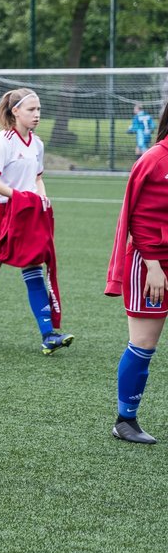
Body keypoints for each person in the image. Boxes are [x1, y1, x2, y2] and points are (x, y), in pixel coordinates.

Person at [0, 87, 74, 354]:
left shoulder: (37, 143)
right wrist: (20, 196)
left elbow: (37, 178)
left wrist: (42, 197)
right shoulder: (4, 140)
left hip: (24, 216)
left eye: (39, 110)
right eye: (31, 110)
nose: (37, 115)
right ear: (15, 112)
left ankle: (48, 336)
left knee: (34, 269)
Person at [105, 101, 168, 444]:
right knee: (144, 344)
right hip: (149, 265)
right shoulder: (154, 160)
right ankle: (125, 421)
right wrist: (154, 266)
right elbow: (136, 218)